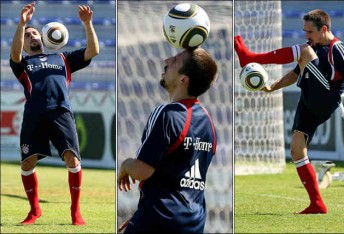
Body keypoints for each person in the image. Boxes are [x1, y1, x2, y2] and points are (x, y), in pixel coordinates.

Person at [234, 9, 344, 214]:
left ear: (324, 29)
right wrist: (272, 87)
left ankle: (251, 57)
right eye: (304, 31)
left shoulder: (338, 49)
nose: (306, 36)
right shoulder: (313, 48)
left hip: (325, 98)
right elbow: (296, 72)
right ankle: (317, 204)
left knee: (303, 51)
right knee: (297, 149)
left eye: (310, 32)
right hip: (308, 100)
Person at [9, 2, 99, 225]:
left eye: (35, 33)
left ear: (44, 38)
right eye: (28, 35)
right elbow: (14, 54)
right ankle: (34, 210)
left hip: (61, 112)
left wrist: (87, 24)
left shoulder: (62, 58)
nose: (32, 37)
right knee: (27, 163)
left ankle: (75, 211)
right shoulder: (23, 64)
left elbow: (93, 51)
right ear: (25, 43)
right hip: (34, 115)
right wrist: (22, 24)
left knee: (72, 158)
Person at [117, 47, 218, 233]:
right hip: (194, 224)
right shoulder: (209, 123)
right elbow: (179, 175)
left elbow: (142, 170)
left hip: (158, 219)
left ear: (183, 80)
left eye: (175, 61)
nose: (166, 60)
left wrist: (125, 165)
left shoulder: (167, 114)